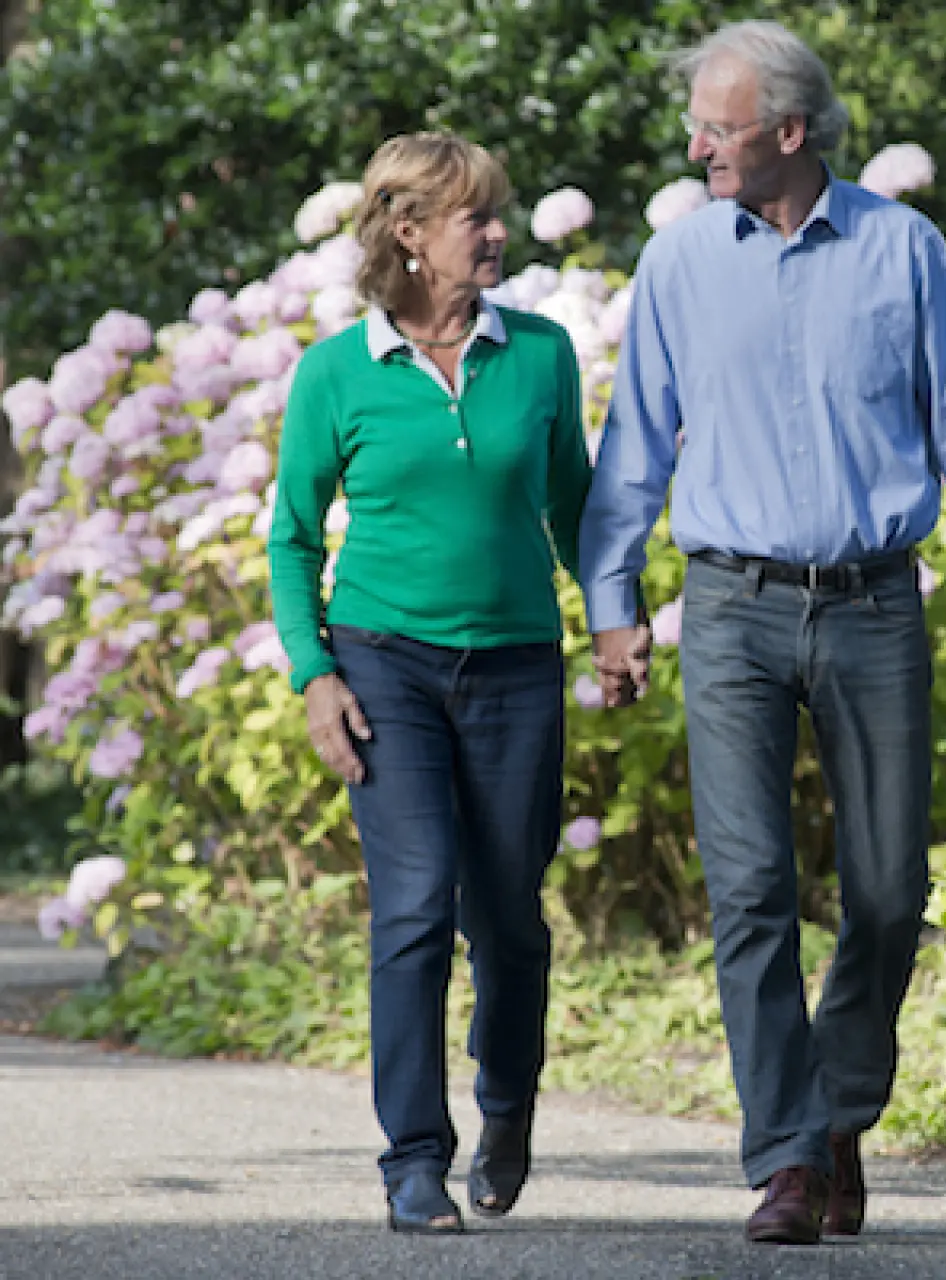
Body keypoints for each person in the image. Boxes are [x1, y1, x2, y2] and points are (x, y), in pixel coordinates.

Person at [579, 19, 946, 1246]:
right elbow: (633, 448)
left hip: (874, 598)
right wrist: (614, 601)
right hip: (730, 604)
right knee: (750, 886)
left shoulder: (904, 252)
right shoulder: (679, 262)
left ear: (790, 132)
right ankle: (787, 1155)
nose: (698, 147)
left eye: (719, 129)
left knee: (890, 888)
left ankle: (839, 1108)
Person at [267, 131, 592, 1234]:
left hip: (516, 666)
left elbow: (576, 508)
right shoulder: (336, 372)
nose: (498, 232)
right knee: (412, 906)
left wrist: (623, 616)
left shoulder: (541, 354)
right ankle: (413, 1155)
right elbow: (294, 540)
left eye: (497, 213)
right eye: (477, 217)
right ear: (408, 233)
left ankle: (507, 1105)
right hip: (384, 663)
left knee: (509, 917)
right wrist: (316, 674)